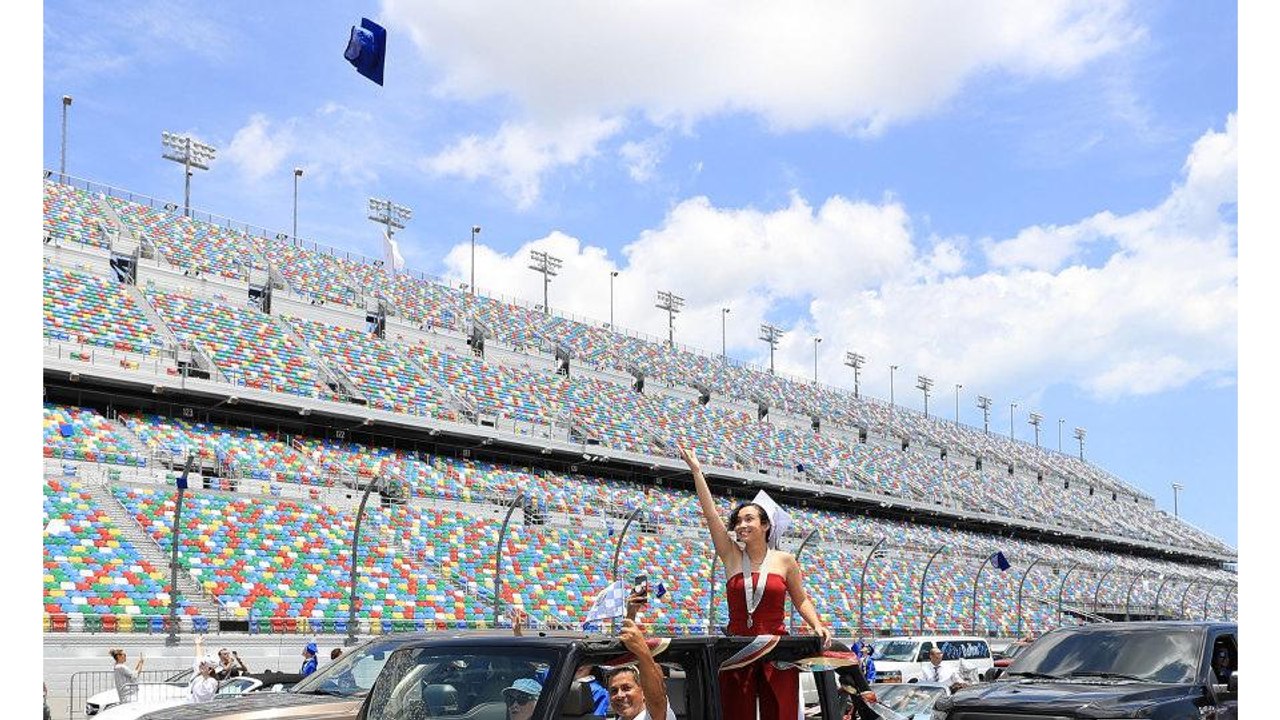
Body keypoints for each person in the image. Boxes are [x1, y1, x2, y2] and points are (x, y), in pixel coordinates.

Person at [681, 445, 830, 720]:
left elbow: (801, 600)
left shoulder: (785, 560)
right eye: (738, 521)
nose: (741, 525)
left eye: (749, 519)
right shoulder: (731, 555)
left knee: (781, 713)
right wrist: (697, 472)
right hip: (738, 649)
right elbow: (711, 515)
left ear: (765, 525)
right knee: (737, 714)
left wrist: (816, 624)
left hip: (777, 648)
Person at [606, 619, 676, 720]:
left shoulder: (654, 715)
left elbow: (656, 700)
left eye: (626, 688)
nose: (619, 695)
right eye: (614, 691)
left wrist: (641, 649)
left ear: (644, 692)